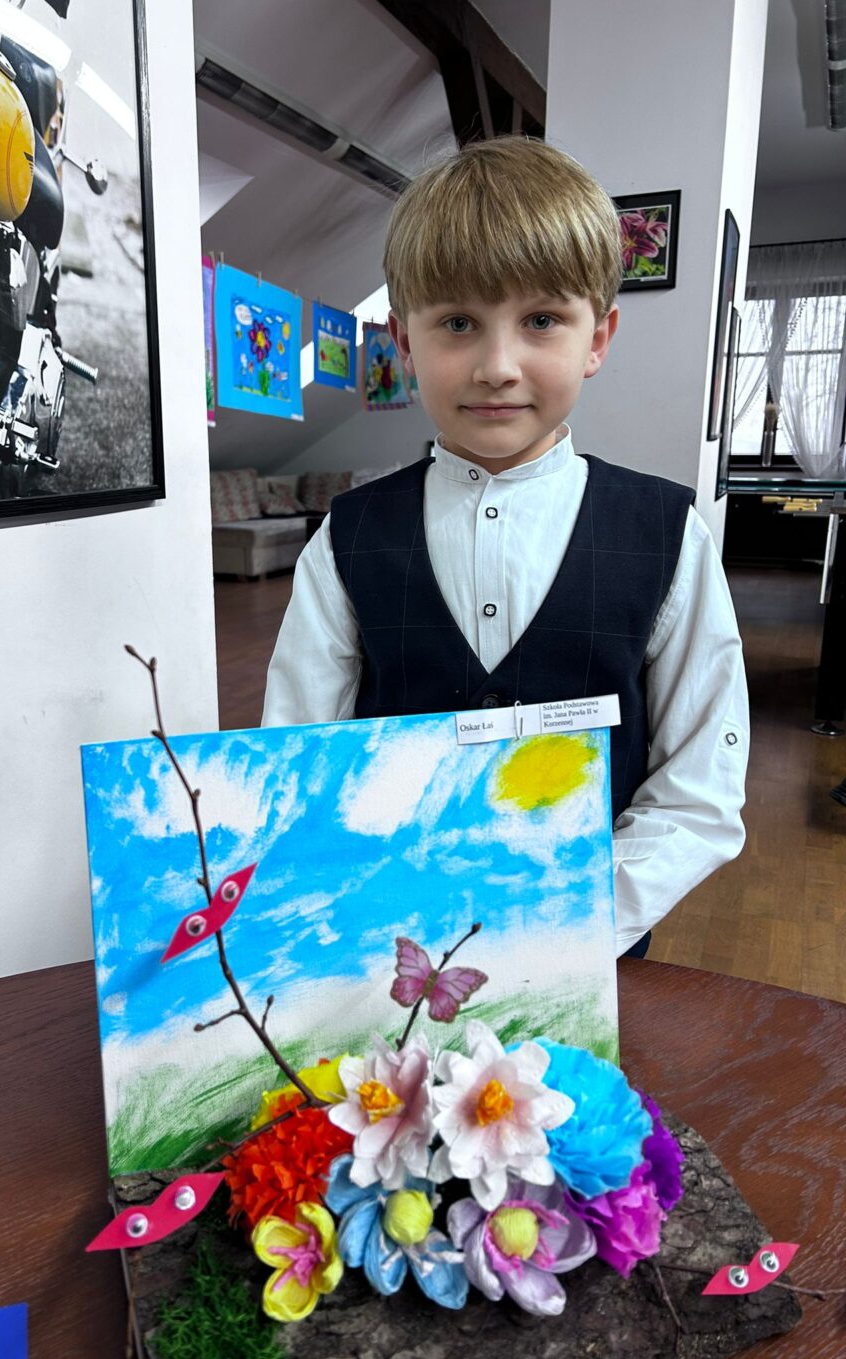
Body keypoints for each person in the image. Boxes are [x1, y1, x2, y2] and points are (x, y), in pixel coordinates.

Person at [262, 136, 749, 958]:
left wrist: (566, 920)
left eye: (541, 321)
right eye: (458, 323)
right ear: (404, 343)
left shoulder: (668, 534)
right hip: (390, 952)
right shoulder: (346, 538)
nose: (497, 365)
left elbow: (699, 786)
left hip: (593, 950)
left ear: (598, 338)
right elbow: (297, 758)